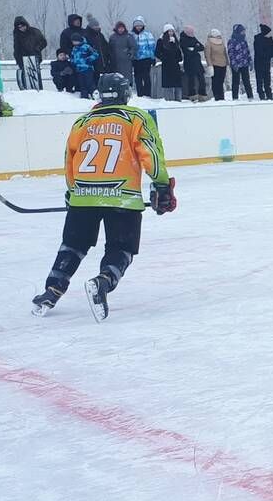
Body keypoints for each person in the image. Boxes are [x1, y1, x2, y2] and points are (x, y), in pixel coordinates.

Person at [30, 72, 176, 320]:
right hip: (122, 197)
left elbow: (70, 160)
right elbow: (150, 155)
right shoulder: (136, 117)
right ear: (125, 93)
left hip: (83, 196)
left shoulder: (82, 122)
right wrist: (162, 185)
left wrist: (72, 192)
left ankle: (50, 292)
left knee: (73, 246)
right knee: (121, 248)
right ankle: (103, 281)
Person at [12, 16, 48, 90]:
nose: (22, 28)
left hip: (35, 58)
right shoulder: (17, 35)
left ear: (26, 24)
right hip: (23, 60)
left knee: (36, 80)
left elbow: (44, 42)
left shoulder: (35, 31)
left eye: (23, 26)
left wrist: (37, 49)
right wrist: (18, 60)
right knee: (26, 82)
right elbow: (16, 49)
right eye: (19, 27)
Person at [156, 25, 184, 101]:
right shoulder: (161, 41)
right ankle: (169, 100)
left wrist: (178, 58)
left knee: (177, 84)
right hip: (166, 65)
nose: (171, 33)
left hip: (175, 65)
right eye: (169, 31)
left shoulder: (175, 41)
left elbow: (179, 53)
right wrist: (164, 58)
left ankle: (178, 100)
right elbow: (157, 53)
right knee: (168, 85)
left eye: (172, 31)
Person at [226, 24, 254, 100]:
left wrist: (250, 61)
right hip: (236, 65)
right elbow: (231, 53)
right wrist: (234, 64)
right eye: (242, 31)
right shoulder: (231, 41)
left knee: (246, 81)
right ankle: (235, 97)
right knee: (236, 81)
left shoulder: (244, 41)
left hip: (244, 64)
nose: (244, 33)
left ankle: (250, 96)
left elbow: (247, 52)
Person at [179, 25, 207, 102]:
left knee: (202, 79)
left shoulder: (193, 38)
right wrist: (195, 48)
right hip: (189, 63)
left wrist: (194, 48)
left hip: (197, 62)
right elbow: (187, 52)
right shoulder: (182, 39)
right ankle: (192, 96)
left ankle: (202, 95)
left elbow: (201, 47)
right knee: (191, 80)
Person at [131, 17, 157, 97]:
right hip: (136, 59)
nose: (138, 27)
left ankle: (147, 94)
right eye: (137, 26)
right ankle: (140, 94)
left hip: (146, 59)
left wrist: (153, 58)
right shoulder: (131, 35)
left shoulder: (147, 34)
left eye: (140, 25)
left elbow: (152, 47)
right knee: (137, 77)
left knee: (146, 77)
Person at [70, 32, 100, 98]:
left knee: (90, 84)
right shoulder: (74, 49)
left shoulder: (86, 47)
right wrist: (73, 62)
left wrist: (88, 59)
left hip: (87, 69)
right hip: (79, 70)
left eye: (75, 41)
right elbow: (72, 57)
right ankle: (84, 98)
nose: (74, 43)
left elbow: (96, 54)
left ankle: (95, 96)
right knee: (82, 85)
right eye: (73, 41)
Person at [108, 20, 137, 85]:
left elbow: (133, 47)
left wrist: (130, 54)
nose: (121, 29)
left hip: (126, 61)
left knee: (126, 78)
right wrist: (110, 57)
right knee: (116, 78)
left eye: (122, 28)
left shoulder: (129, 36)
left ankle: (128, 89)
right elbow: (109, 49)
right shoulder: (112, 37)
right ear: (116, 28)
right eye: (119, 28)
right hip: (115, 61)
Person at [205, 28, 229, 101]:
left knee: (221, 81)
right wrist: (210, 65)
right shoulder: (209, 43)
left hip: (223, 64)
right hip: (214, 65)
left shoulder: (221, 42)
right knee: (215, 82)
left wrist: (227, 62)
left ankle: (221, 97)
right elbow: (207, 55)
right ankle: (217, 96)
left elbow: (225, 52)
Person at [252, 24, 273, 99]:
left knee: (267, 80)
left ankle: (269, 95)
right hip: (259, 63)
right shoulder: (258, 40)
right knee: (260, 80)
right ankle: (261, 94)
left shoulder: (269, 39)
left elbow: (272, 50)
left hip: (266, 63)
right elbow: (260, 52)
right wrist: (269, 53)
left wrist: (271, 53)